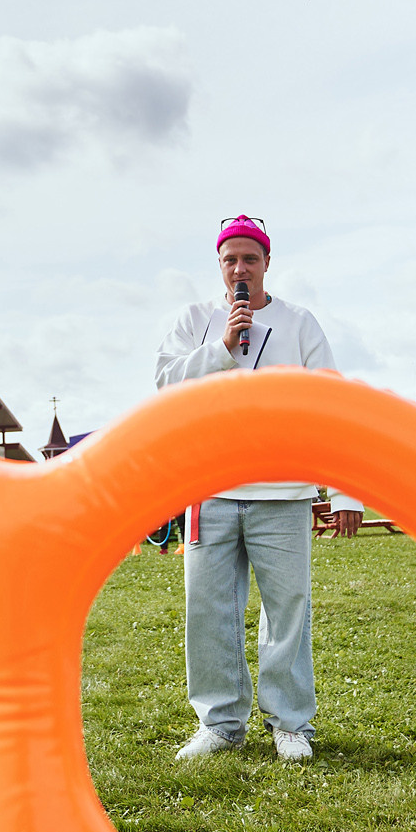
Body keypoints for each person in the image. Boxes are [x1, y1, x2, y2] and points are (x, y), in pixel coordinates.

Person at [154, 215, 360, 763]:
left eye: (250, 258)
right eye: (230, 259)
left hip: (283, 493)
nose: (240, 268)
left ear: (267, 262)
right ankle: (220, 723)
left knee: (287, 608)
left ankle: (290, 722)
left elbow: (332, 410)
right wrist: (221, 347)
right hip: (209, 488)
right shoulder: (193, 320)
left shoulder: (299, 324)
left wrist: (343, 492)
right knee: (209, 609)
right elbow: (163, 385)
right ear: (219, 267)